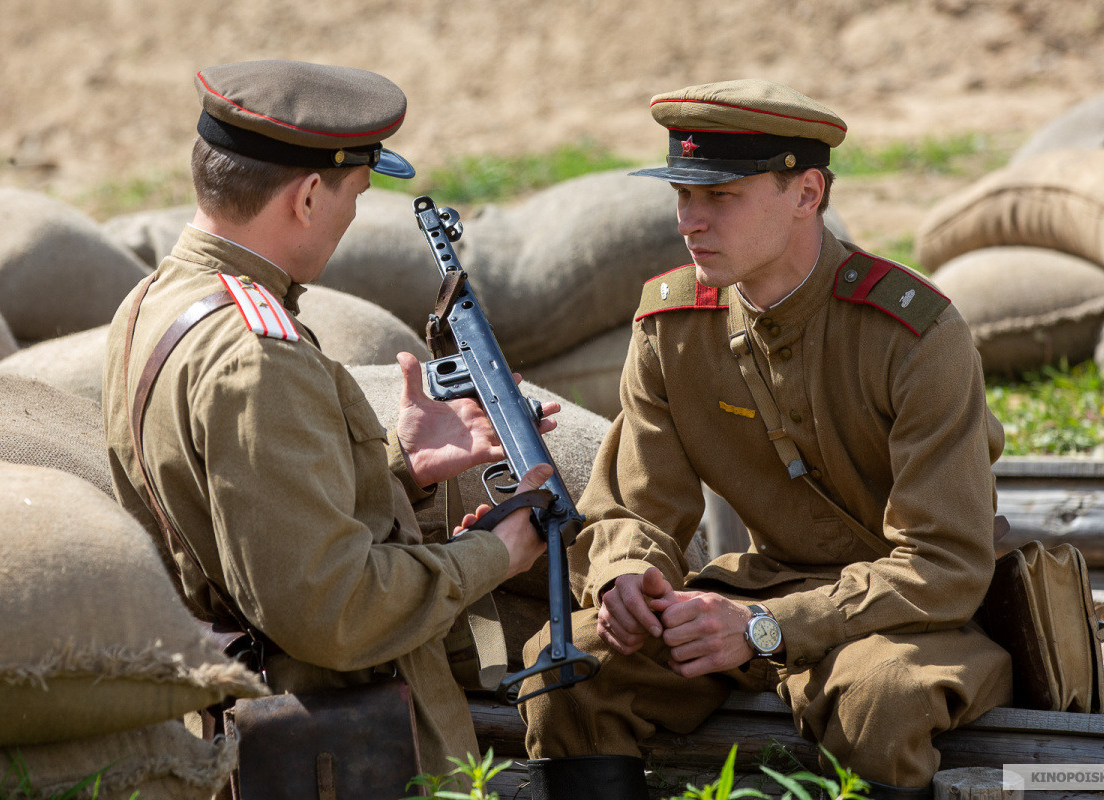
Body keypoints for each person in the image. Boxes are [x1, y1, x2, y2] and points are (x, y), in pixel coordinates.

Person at [518, 79, 1013, 800]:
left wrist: (766, 627)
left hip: (912, 612)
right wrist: (627, 576)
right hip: (762, 589)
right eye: (682, 195)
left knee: (882, 696)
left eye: (721, 197)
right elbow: (634, 507)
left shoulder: (915, 335)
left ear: (806, 194)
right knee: (569, 664)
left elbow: (945, 562)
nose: (691, 221)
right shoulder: (671, 326)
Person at [101, 59, 557, 777]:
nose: (351, 217)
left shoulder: (153, 302)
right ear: (309, 196)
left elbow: (244, 524)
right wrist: (496, 554)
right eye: (355, 193)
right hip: (340, 751)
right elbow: (331, 611)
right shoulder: (258, 354)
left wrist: (397, 473)